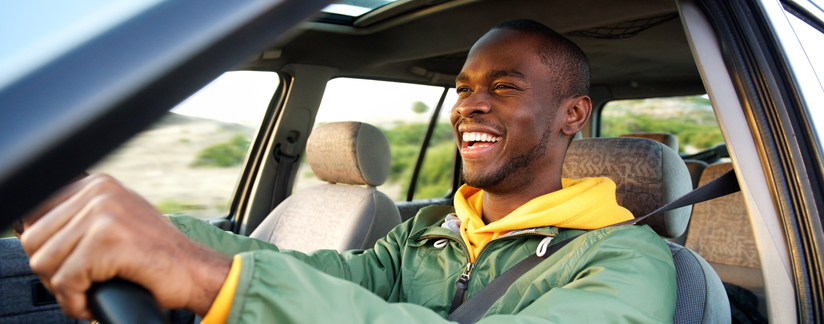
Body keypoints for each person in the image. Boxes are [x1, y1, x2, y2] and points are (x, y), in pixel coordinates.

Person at [18, 19, 676, 323]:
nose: (470, 103)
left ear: (573, 114)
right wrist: (162, 234)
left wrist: (207, 277)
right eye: (465, 87)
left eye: (503, 87)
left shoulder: (626, 262)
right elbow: (326, 277)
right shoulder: (428, 233)